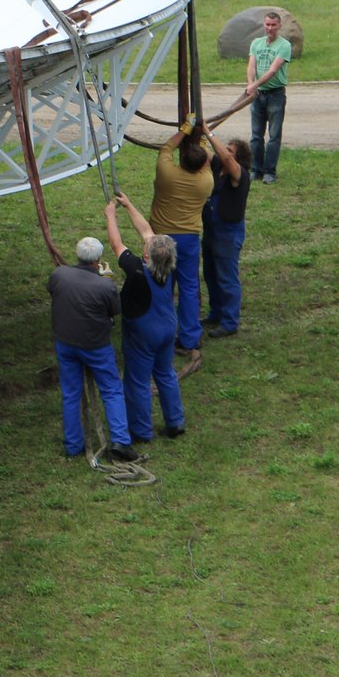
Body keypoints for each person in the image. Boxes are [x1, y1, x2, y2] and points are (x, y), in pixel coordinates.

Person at [45, 237, 136, 462]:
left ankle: (73, 445)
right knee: (111, 390)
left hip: (65, 343)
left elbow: (53, 292)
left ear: (78, 255)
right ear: (98, 259)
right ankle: (120, 441)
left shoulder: (59, 275)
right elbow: (114, 311)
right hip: (96, 347)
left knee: (71, 394)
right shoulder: (105, 286)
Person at [106, 195, 186, 442]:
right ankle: (175, 422)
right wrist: (128, 204)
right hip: (167, 327)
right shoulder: (168, 267)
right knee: (166, 373)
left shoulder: (137, 270)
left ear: (148, 256)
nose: (146, 242)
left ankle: (141, 431)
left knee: (137, 381)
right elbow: (147, 232)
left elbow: (116, 244)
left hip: (143, 332)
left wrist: (110, 215)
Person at [150, 121, 215, 365]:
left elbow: (166, 148)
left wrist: (184, 129)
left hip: (160, 237)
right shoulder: (205, 182)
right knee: (188, 287)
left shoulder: (165, 172)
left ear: (182, 160)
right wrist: (204, 139)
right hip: (188, 238)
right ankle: (189, 338)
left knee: (161, 285)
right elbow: (206, 162)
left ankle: (161, 334)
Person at [201, 137, 252, 338]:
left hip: (228, 234)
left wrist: (208, 132)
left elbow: (227, 159)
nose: (225, 152)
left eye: (230, 150)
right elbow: (204, 152)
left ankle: (230, 322)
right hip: (211, 231)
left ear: (238, 158)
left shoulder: (240, 174)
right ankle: (216, 313)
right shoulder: (217, 166)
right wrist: (195, 131)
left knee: (226, 278)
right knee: (211, 274)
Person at [246, 10, 292, 184]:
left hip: (275, 94)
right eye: (267, 24)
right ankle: (255, 169)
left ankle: (269, 172)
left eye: (273, 25)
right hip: (258, 95)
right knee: (256, 135)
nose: (270, 28)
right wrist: (251, 84)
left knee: (274, 135)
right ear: (263, 25)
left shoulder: (284, 46)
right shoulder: (256, 43)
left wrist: (254, 85)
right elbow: (251, 66)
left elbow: (273, 70)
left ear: (279, 26)